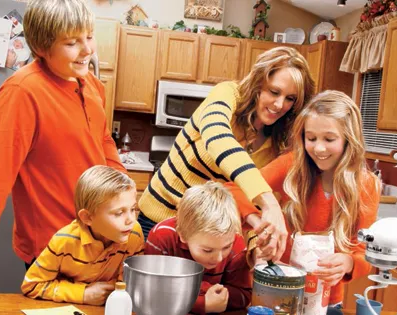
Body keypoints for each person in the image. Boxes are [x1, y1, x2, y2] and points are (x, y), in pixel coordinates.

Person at [0, 0, 126, 292]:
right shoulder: (22, 92)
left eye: (89, 37)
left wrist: (123, 200)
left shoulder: (92, 86)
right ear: (42, 48)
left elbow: (104, 141)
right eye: (72, 42)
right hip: (52, 246)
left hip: (97, 244)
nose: (88, 50)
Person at [138, 46, 316, 259]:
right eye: (274, 92)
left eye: (290, 99)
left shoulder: (276, 144)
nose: (279, 105)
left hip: (210, 240)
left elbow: (241, 198)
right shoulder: (228, 94)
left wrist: (256, 245)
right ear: (258, 84)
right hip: (159, 222)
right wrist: (268, 202)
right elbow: (218, 138)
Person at [226, 90, 381, 309]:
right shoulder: (290, 166)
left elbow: (365, 251)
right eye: (311, 138)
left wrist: (349, 263)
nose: (319, 148)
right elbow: (234, 189)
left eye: (329, 139)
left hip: (328, 301)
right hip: (278, 293)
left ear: (349, 139)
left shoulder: (367, 185)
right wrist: (260, 221)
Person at [21, 166, 143, 305]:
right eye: (119, 213)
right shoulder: (64, 241)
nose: (131, 219)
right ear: (87, 217)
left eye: (133, 209)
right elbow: (31, 285)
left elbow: (131, 284)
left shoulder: (133, 234)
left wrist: (117, 288)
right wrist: (83, 294)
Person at [145, 181, 251, 315]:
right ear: (183, 235)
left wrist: (189, 293)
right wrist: (202, 302)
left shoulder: (236, 241)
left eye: (226, 247)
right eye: (207, 250)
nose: (218, 258)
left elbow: (244, 296)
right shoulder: (161, 237)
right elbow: (152, 293)